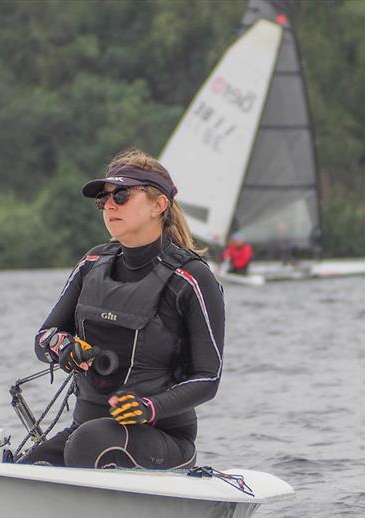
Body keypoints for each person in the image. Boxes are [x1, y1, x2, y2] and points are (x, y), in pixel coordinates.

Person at [20, 148, 224, 470]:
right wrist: (65, 347)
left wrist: (149, 407)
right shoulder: (91, 264)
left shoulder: (192, 278)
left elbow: (208, 377)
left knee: (89, 441)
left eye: (123, 194)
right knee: (22, 469)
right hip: (86, 434)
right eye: (104, 198)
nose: (110, 204)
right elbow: (44, 337)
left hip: (161, 438)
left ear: (159, 205)